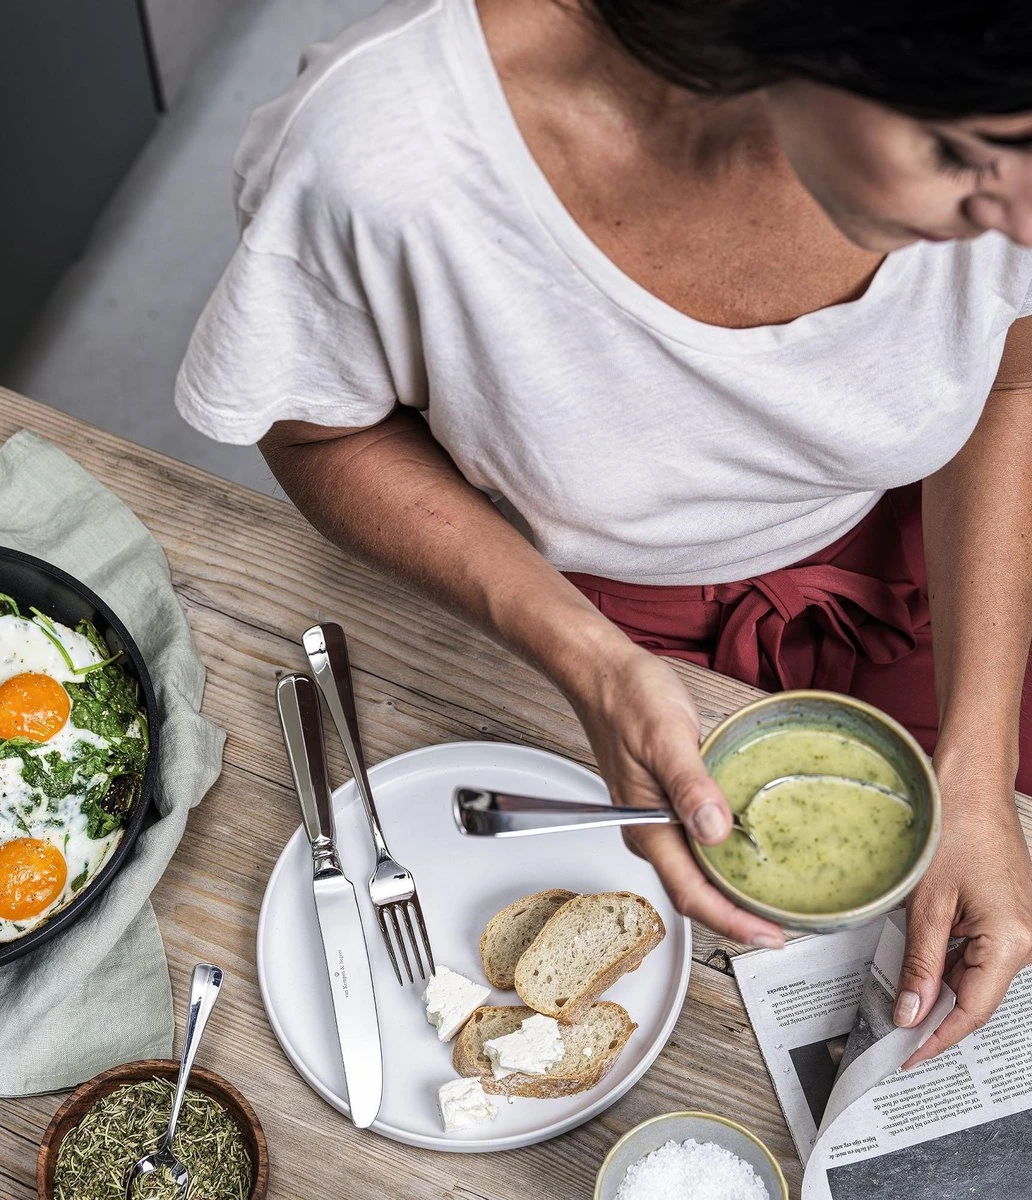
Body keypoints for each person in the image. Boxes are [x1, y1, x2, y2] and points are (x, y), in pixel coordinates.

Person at [176, 0, 1032, 1066]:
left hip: (936, 560)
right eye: (959, 154)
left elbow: (1008, 377)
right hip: (576, 611)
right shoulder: (387, 155)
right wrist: (588, 661)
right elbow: (317, 433)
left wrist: (980, 763)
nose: (1022, 222)